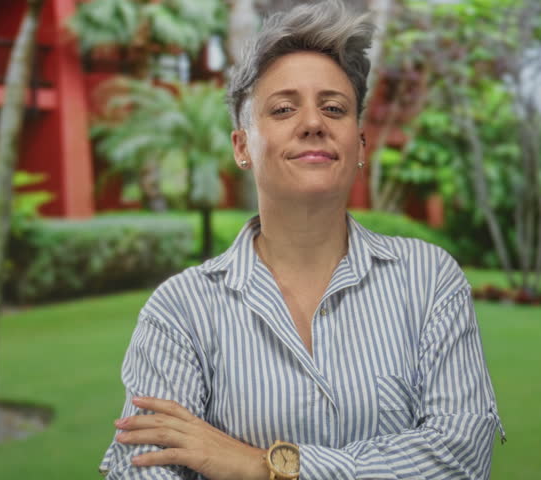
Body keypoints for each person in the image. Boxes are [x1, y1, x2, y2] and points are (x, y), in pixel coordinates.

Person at [99, 1, 505, 478]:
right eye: (283, 109)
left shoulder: (429, 280)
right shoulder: (181, 311)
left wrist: (261, 466)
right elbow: (144, 469)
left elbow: (459, 458)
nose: (313, 123)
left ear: (359, 143)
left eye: (333, 108)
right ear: (242, 147)